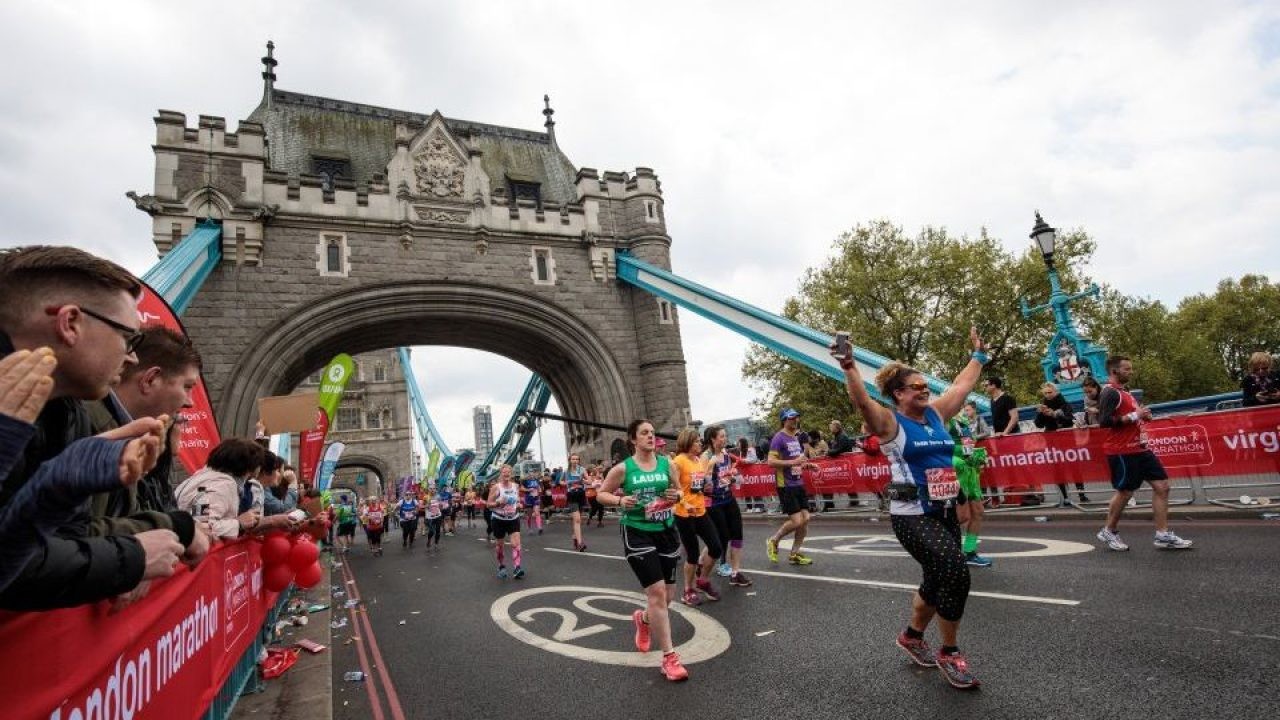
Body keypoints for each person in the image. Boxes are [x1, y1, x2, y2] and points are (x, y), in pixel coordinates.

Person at [0, 246, 188, 610]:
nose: (133, 356)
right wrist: (130, 557)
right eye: (129, 337)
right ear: (70, 323)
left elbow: (29, 555)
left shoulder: (68, 413)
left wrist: (53, 493)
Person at [831, 326, 989, 690]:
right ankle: (950, 652)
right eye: (916, 386)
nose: (924, 389)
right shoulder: (890, 422)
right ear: (898, 393)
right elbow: (862, 403)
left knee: (935, 579)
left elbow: (961, 387)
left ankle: (912, 636)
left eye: (925, 385)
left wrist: (978, 356)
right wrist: (849, 366)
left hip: (943, 510)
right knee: (955, 572)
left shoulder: (935, 415)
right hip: (912, 515)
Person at [596, 419, 688, 682]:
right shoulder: (623, 469)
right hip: (637, 532)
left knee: (667, 597)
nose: (650, 436)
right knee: (656, 593)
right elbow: (601, 494)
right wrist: (619, 500)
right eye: (644, 433)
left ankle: (643, 619)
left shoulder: (667, 464)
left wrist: (677, 496)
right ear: (633, 439)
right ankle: (669, 658)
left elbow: (679, 491)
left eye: (652, 433)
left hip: (666, 530)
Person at [1095, 356, 1193, 552]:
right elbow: (1104, 422)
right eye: (1127, 369)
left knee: (1162, 486)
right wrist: (1135, 415)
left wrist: (1144, 417)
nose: (1131, 372)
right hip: (1122, 450)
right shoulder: (1109, 392)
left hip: (1140, 448)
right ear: (1114, 371)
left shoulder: (1126, 393)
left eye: (1130, 368)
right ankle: (1109, 530)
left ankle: (1162, 535)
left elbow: (1133, 417)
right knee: (1125, 492)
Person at [175, 437, 293, 538]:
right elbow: (203, 527)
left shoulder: (205, 477)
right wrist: (239, 523)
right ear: (249, 465)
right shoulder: (223, 485)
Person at [671, 429, 722, 606]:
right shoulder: (678, 461)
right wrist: (684, 503)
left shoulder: (698, 460)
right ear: (687, 442)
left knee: (716, 547)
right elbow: (673, 489)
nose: (700, 443)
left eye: (700, 441)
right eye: (697, 441)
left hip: (700, 510)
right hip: (684, 514)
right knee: (692, 554)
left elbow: (696, 486)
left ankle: (703, 581)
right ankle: (688, 590)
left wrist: (705, 489)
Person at [765, 408, 820, 565]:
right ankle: (774, 540)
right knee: (797, 521)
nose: (796, 420)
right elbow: (770, 462)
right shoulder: (778, 438)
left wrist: (809, 465)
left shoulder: (795, 438)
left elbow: (798, 461)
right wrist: (793, 462)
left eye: (797, 417)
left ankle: (794, 554)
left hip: (798, 483)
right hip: (786, 485)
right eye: (792, 418)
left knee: (806, 518)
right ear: (784, 420)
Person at [702, 425, 750, 586]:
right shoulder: (705, 457)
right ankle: (711, 564)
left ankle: (735, 573)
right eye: (721, 436)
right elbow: (702, 483)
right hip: (714, 502)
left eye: (725, 436)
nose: (725, 439)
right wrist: (710, 469)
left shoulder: (725, 454)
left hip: (728, 498)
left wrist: (733, 477)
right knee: (721, 537)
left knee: (737, 534)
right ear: (712, 439)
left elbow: (728, 475)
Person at [946, 413, 991, 567]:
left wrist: (976, 456)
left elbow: (968, 442)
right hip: (957, 468)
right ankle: (946, 551)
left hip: (970, 469)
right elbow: (939, 445)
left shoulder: (964, 418)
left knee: (978, 511)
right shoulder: (944, 416)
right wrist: (957, 457)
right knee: (962, 517)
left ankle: (970, 552)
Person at [1034, 382, 1089, 505]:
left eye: (1050, 392)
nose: (1048, 395)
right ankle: (1064, 497)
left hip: (1066, 438)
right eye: (1045, 393)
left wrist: (1055, 414)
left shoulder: (1065, 404)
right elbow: (1038, 424)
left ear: (1056, 392)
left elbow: (1070, 419)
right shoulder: (1043, 406)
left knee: (1074, 466)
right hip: (1051, 440)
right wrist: (1041, 414)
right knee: (1057, 468)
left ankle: (1082, 494)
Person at [487, 465, 524, 579]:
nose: (506, 474)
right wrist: (498, 503)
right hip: (498, 519)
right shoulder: (496, 487)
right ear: (501, 474)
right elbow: (488, 504)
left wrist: (519, 504)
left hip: (513, 518)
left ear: (511, 474)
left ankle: (517, 568)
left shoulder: (515, 486)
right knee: (500, 546)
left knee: (516, 543)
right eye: (504, 472)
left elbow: (517, 500)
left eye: (508, 472)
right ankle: (501, 566)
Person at [564, 453, 589, 551]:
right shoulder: (566, 471)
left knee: (577, 520)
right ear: (570, 460)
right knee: (577, 519)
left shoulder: (582, 470)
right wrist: (568, 483)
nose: (575, 461)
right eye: (573, 459)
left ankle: (575, 537)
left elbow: (589, 481)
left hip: (581, 495)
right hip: (572, 495)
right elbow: (560, 482)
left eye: (577, 459)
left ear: (579, 460)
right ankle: (580, 543)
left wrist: (583, 480)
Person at [422, 486, 444, 551]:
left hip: (438, 516)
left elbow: (440, 506)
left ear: (435, 489)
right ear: (428, 489)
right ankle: (429, 540)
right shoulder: (426, 497)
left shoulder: (438, 496)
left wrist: (441, 506)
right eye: (431, 488)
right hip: (430, 517)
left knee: (438, 531)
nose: (432, 490)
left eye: (433, 488)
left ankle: (436, 544)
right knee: (431, 531)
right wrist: (427, 505)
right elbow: (422, 506)